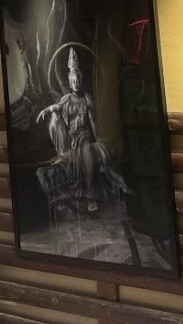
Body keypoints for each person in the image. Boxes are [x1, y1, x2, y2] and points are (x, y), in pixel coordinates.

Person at [36, 48, 127, 211]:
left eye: (78, 80)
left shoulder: (86, 99)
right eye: (72, 81)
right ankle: (65, 190)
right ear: (69, 81)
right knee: (56, 120)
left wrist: (97, 138)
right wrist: (46, 110)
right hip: (69, 137)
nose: (75, 83)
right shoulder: (66, 98)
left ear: (81, 79)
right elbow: (57, 107)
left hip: (84, 136)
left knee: (87, 158)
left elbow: (91, 121)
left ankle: (90, 195)